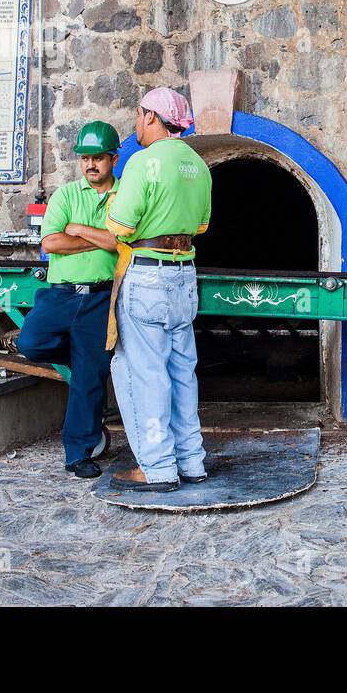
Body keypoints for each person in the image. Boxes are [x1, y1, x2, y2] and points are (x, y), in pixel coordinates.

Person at [103, 87, 212, 493]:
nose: (136, 124)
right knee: (183, 372)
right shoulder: (199, 165)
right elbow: (201, 225)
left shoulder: (142, 162)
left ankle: (158, 468)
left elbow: (120, 227)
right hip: (184, 276)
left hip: (146, 275)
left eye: (138, 116)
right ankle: (192, 461)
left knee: (144, 373)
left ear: (151, 117)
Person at [16, 121, 122, 479]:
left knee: (89, 379)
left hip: (100, 297)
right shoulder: (65, 195)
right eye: (85, 158)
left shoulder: (125, 196)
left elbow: (123, 242)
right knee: (30, 342)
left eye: (98, 158)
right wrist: (99, 237)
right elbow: (51, 243)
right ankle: (85, 358)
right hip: (60, 294)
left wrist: (77, 230)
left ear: (113, 158)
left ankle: (78, 453)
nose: (91, 164)